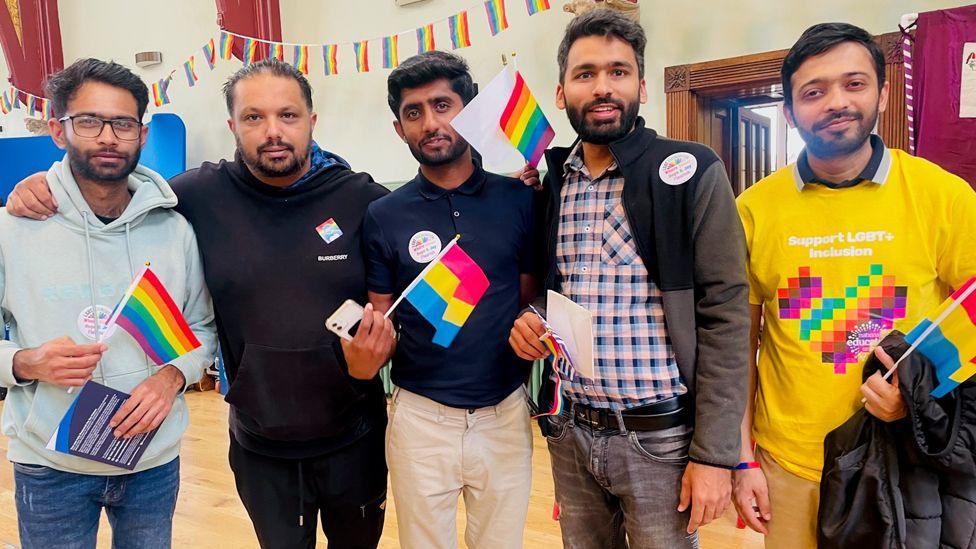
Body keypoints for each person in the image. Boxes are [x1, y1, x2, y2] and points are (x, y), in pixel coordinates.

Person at [5, 58, 397, 549]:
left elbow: (409, 290)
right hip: (258, 444)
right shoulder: (194, 197)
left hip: (350, 436)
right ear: (232, 127)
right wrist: (39, 188)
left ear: (312, 122)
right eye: (254, 117)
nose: (273, 131)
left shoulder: (364, 198)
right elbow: (112, 189)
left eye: (288, 115)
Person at [508, 9, 750, 548]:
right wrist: (532, 322)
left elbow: (726, 317)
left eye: (618, 72)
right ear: (562, 89)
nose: (602, 87)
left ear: (642, 84)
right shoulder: (553, 185)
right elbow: (555, 294)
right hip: (570, 433)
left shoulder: (690, 170)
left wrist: (714, 455)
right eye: (585, 73)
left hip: (660, 441)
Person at [732, 22, 976, 548]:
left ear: (883, 94)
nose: (836, 102)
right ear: (790, 112)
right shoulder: (752, 210)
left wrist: (919, 395)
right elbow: (736, 347)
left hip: (901, 454)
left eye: (854, 84)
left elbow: (972, 317)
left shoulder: (943, 196)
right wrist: (743, 457)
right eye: (813, 92)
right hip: (789, 463)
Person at [0, 58, 217, 548]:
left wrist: (173, 376)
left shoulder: (174, 229)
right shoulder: (11, 229)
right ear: (58, 130)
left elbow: (203, 328)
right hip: (50, 463)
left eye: (122, 123)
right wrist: (24, 361)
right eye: (89, 121)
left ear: (141, 133)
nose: (107, 137)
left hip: (152, 459)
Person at [362, 51, 537, 549]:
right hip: (420, 420)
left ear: (471, 111)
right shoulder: (382, 214)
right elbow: (381, 316)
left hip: (504, 413)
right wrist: (366, 343)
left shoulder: (519, 200)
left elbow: (529, 298)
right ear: (400, 129)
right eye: (413, 112)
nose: (430, 122)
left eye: (443, 105)